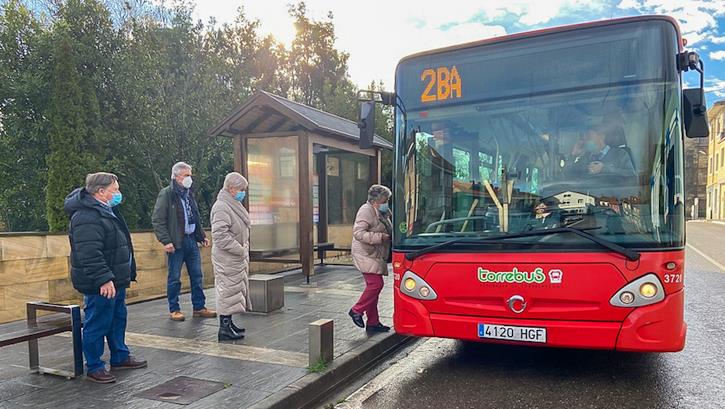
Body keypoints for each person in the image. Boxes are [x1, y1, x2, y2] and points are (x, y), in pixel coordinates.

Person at [64, 172, 147, 383]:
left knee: (117, 318)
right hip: (100, 283)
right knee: (97, 321)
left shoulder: (107, 210)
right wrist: (103, 278)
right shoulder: (86, 216)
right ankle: (94, 365)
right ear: (101, 192)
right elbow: (89, 253)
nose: (118, 194)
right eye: (115, 190)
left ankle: (120, 355)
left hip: (115, 279)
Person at [152, 162, 216, 321]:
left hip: (191, 241)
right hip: (176, 243)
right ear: (177, 176)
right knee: (174, 277)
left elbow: (194, 216)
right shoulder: (167, 194)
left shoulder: (188, 194)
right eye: (187, 175)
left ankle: (199, 307)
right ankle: (174, 309)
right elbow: (158, 220)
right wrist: (166, 241)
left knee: (197, 275)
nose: (190, 178)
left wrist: (201, 236)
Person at [210, 172, 251, 341]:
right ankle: (224, 327)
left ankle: (229, 323)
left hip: (234, 258)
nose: (243, 193)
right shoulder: (222, 206)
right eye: (241, 189)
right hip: (227, 258)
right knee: (226, 291)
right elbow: (219, 235)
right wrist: (239, 249)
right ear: (232, 189)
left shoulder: (232, 204)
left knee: (232, 291)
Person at [349, 184, 393, 333]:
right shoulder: (366, 210)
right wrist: (380, 237)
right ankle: (356, 310)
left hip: (374, 254)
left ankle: (373, 322)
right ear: (376, 201)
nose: (387, 202)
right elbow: (358, 233)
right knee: (375, 285)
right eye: (385, 200)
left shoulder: (382, 211)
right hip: (365, 254)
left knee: (373, 288)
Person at [568, 125, 635, 178]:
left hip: (614, 195)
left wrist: (604, 169)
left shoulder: (620, 154)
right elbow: (565, 176)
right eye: (584, 138)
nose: (585, 140)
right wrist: (573, 155)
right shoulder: (584, 158)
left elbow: (632, 176)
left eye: (589, 137)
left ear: (601, 137)